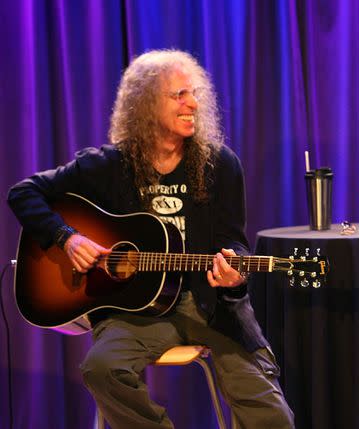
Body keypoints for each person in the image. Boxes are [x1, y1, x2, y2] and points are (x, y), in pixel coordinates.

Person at [8, 49, 295, 428]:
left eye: (194, 93)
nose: (193, 103)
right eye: (179, 95)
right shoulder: (107, 166)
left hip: (208, 307)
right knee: (101, 368)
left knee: (267, 411)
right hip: (134, 312)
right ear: (145, 104)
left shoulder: (220, 165)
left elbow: (234, 243)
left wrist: (234, 273)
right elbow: (23, 192)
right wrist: (67, 239)